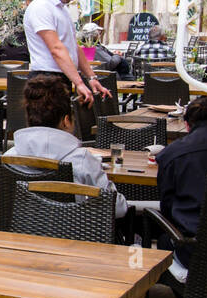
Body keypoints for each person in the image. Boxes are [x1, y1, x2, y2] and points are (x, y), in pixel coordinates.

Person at [11, 75, 128, 218]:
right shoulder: (81, 159)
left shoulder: (8, 158)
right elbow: (118, 208)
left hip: (22, 236)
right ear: (66, 121)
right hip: (73, 236)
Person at [155, 97, 207, 278]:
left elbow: (167, 205)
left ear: (187, 125)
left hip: (194, 249)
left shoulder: (171, 154)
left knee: (164, 240)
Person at [23, 0, 108, 107]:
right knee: (48, 128)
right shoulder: (41, 7)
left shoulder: (62, 10)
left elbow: (74, 47)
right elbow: (56, 49)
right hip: (45, 79)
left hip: (61, 77)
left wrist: (91, 78)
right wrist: (79, 82)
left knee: (62, 126)